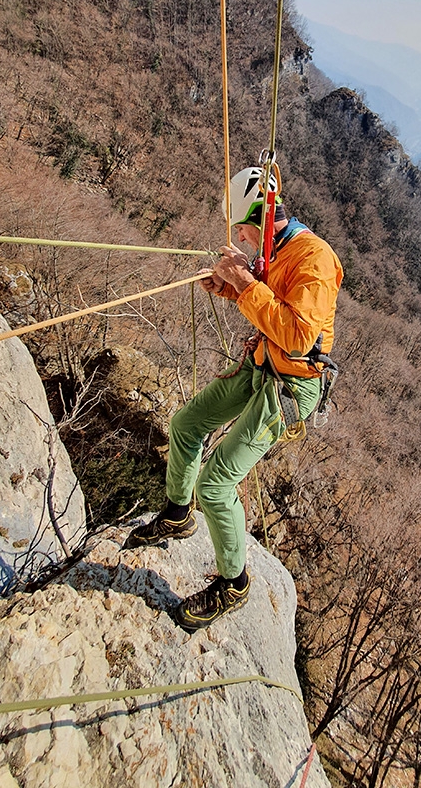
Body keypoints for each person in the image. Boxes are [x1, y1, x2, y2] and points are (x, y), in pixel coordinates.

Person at [125, 166, 343, 629]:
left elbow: (300, 337)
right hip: (263, 363)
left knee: (217, 484)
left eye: (243, 228)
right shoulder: (276, 249)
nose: (241, 239)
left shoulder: (314, 259)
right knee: (186, 425)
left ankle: (234, 585)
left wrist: (242, 283)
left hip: (290, 385)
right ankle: (178, 514)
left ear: (263, 218)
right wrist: (229, 287)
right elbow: (270, 305)